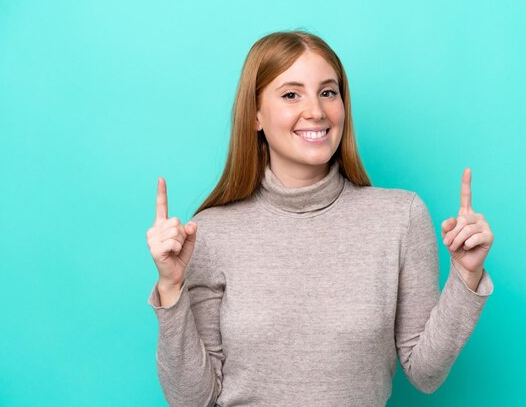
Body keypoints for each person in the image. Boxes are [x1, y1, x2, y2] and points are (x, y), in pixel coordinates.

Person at [146, 30, 495, 407]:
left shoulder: (400, 218)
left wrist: (466, 275)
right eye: (291, 94)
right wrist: (170, 288)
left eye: (328, 92)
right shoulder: (212, 232)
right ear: (255, 115)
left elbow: (425, 374)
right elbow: (191, 399)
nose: (316, 110)